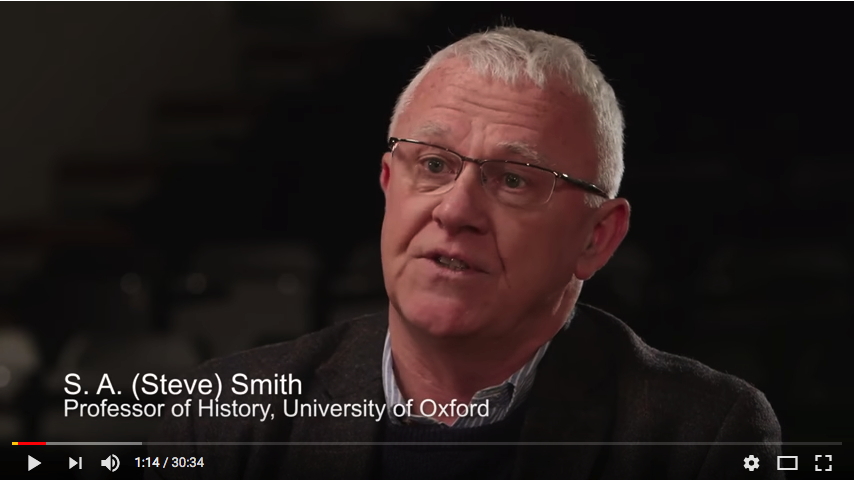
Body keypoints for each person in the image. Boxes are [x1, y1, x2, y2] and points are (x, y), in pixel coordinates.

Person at [148, 27, 782, 480]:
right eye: (432, 164)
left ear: (597, 237)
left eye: (514, 180)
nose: (454, 211)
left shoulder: (703, 435)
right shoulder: (220, 417)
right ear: (388, 185)